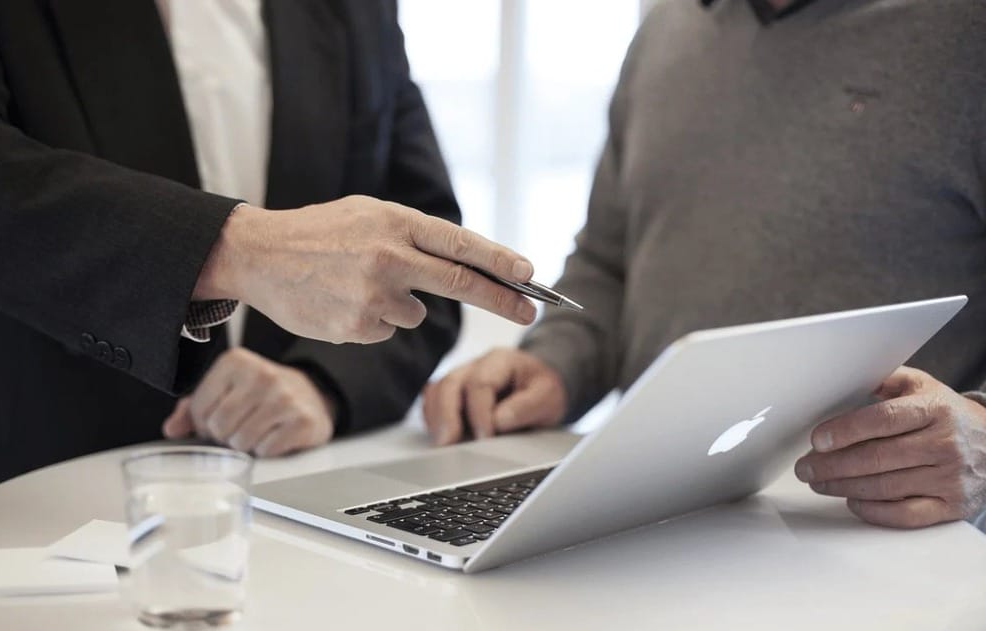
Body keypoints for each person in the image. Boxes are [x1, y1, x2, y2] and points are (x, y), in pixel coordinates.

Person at [423, 0, 986, 530]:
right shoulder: (666, 30)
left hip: (881, 547)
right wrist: (554, 365)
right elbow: (609, 261)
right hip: (648, 520)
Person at [0, 0, 539, 501]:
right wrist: (234, 251)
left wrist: (323, 385)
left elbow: (422, 259)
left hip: (294, 510)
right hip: (25, 506)